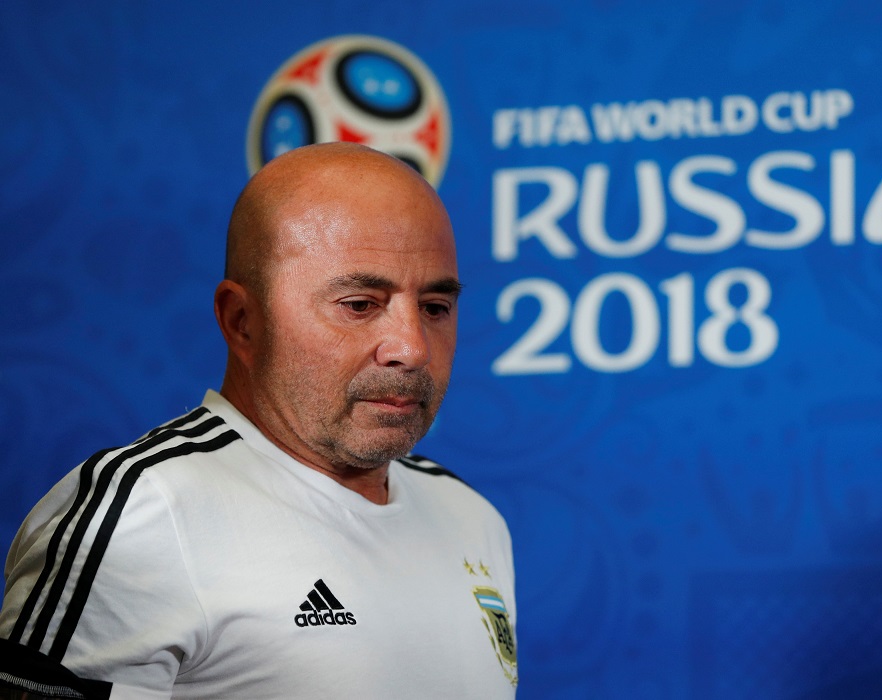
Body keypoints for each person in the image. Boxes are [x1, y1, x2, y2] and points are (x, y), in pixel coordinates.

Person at [0, 143, 518, 698]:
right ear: (242, 321)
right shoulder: (145, 515)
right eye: (360, 304)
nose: (412, 347)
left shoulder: (472, 518)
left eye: (435, 308)